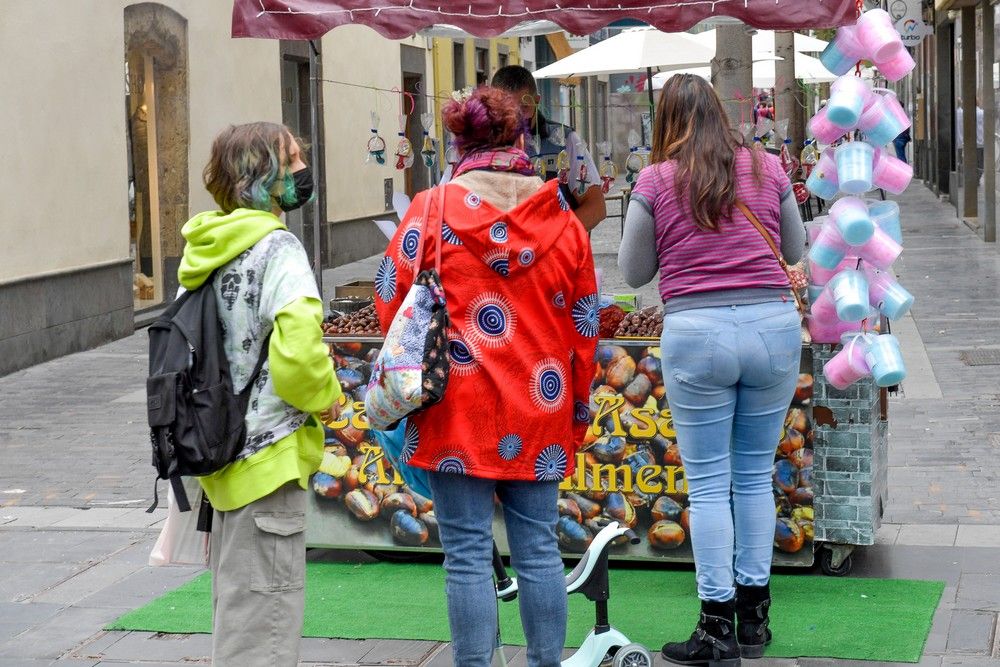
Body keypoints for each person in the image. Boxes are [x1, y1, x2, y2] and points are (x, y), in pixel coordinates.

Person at [375, 86, 599, 667]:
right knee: (540, 552)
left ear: (459, 144)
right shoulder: (564, 222)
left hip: (456, 409)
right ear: (521, 139)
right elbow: (585, 330)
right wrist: (576, 410)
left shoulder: (432, 209)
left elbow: (388, 300)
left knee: (468, 555)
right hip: (540, 406)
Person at [617, 74, 805, 666]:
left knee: (707, 484)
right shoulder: (769, 166)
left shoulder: (655, 179)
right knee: (753, 477)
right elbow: (796, 251)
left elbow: (632, 272)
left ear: (665, 122)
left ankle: (715, 625)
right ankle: (753, 621)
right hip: (773, 329)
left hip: (696, 337)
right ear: (720, 115)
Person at [177, 122, 342, 666]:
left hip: (219, 460)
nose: (301, 172)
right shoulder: (279, 249)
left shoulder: (203, 249)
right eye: (291, 161)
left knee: (238, 620)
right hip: (267, 460)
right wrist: (327, 394)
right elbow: (297, 359)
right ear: (262, 177)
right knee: (264, 637)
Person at [489, 65, 606, 230]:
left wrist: (556, 238)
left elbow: (595, 207)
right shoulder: (478, 146)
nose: (514, 116)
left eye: (523, 108)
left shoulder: (566, 140)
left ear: (537, 101)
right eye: (505, 109)